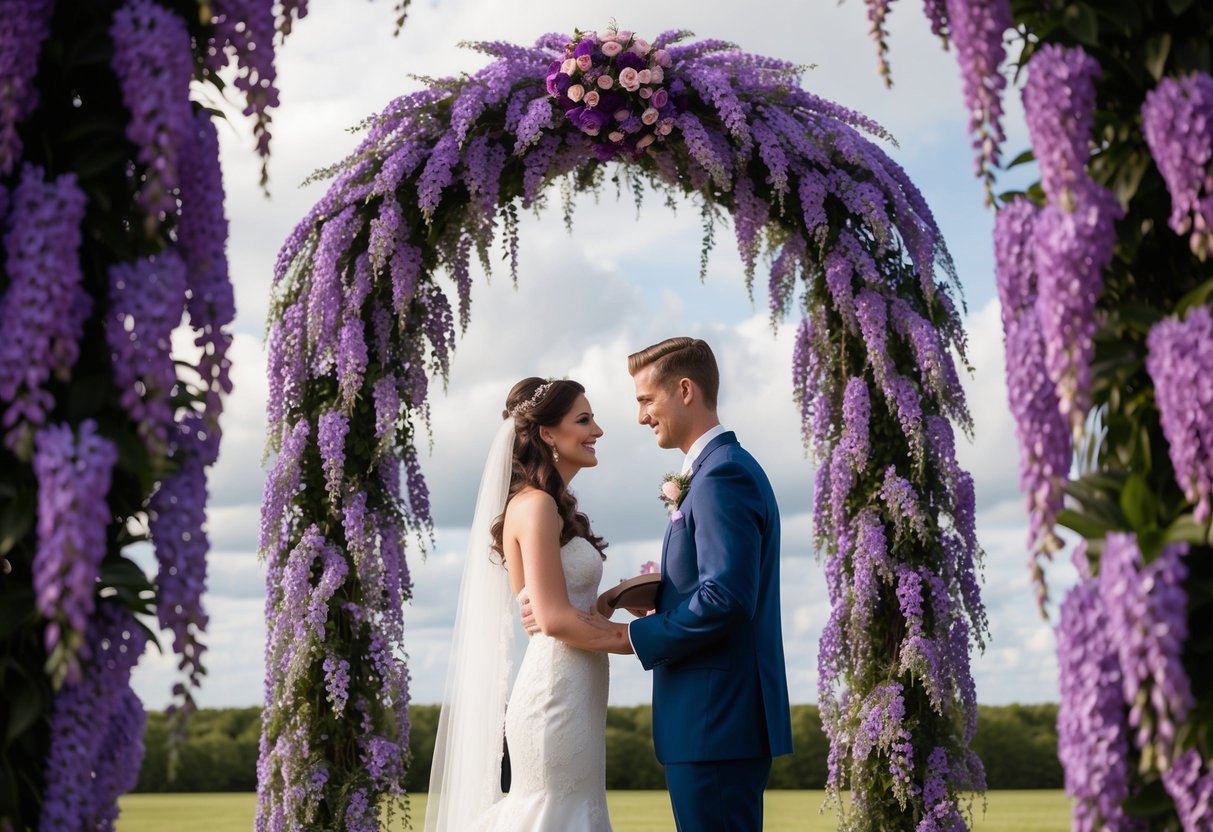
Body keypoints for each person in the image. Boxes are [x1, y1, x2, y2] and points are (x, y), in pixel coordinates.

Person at [424, 377, 629, 832]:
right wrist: (642, 638)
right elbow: (552, 619)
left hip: (577, 687)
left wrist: (611, 600)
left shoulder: (549, 507)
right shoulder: (535, 506)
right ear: (547, 433)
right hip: (555, 694)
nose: (597, 430)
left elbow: (554, 605)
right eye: (584, 419)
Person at [625, 336, 793, 832]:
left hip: (715, 721)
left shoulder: (722, 476)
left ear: (684, 390)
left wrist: (637, 637)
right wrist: (662, 600)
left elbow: (726, 597)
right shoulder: (712, 472)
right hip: (711, 723)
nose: (640, 417)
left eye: (645, 401)